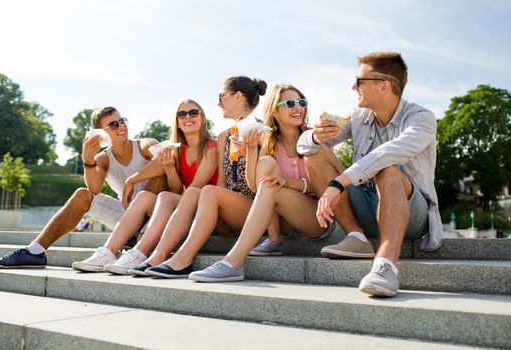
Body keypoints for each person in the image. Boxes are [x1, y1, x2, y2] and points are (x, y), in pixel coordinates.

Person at [297, 52, 443, 297]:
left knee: (388, 170)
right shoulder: (358, 117)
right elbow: (303, 147)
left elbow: (389, 153)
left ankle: (386, 266)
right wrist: (314, 136)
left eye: (359, 80)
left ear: (383, 85)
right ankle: (356, 237)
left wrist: (339, 182)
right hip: (364, 207)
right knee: (316, 154)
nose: (353, 86)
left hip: (411, 214)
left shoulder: (422, 118)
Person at [190, 84, 332, 282]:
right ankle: (271, 242)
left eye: (302, 102)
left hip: (316, 217)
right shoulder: (271, 142)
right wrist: (249, 150)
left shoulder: (313, 138)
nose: (298, 107)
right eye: (290, 103)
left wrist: (290, 183)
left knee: (271, 183)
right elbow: (255, 186)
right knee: (265, 165)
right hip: (285, 221)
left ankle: (233, 262)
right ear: (275, 111)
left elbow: (333, 184)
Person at [0, 106, 162, 268]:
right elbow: (94, 189)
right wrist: (87, 160)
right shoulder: (104, 158)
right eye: (113, 124)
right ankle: (34, 251)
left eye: (122, 120)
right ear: (101, 134)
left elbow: (162, 156)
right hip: (127, 217)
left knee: (159, 175)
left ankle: (136, 241)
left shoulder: (143, 145)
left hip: (156, 214)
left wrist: (132, 180)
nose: (121, 126)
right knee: (82, 194)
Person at [131, 76, 267, 278]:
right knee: (197, 191)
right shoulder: (224, 137)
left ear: (238, 96)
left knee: (206, 191)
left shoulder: (263, 131)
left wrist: (250, 150)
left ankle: (183, 260)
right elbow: (222, 181)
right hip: (226, 214)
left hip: (257, 210)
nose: (219, 103)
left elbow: (262, 186)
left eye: (222, 96)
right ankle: (159, 255)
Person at [71, 100, 218, 273]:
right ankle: (109, 252)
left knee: (177, 194)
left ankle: (142, 251)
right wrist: (169, 168)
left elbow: (194, 189)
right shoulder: (178, 149)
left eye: (193, 112)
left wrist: (131, 179)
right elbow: (177, 190)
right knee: (146, 197)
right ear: (177, 121)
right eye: (182, 114)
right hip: (188, 204)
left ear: (202, 118)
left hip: (208, 210)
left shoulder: (211, 147)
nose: (187, 117)